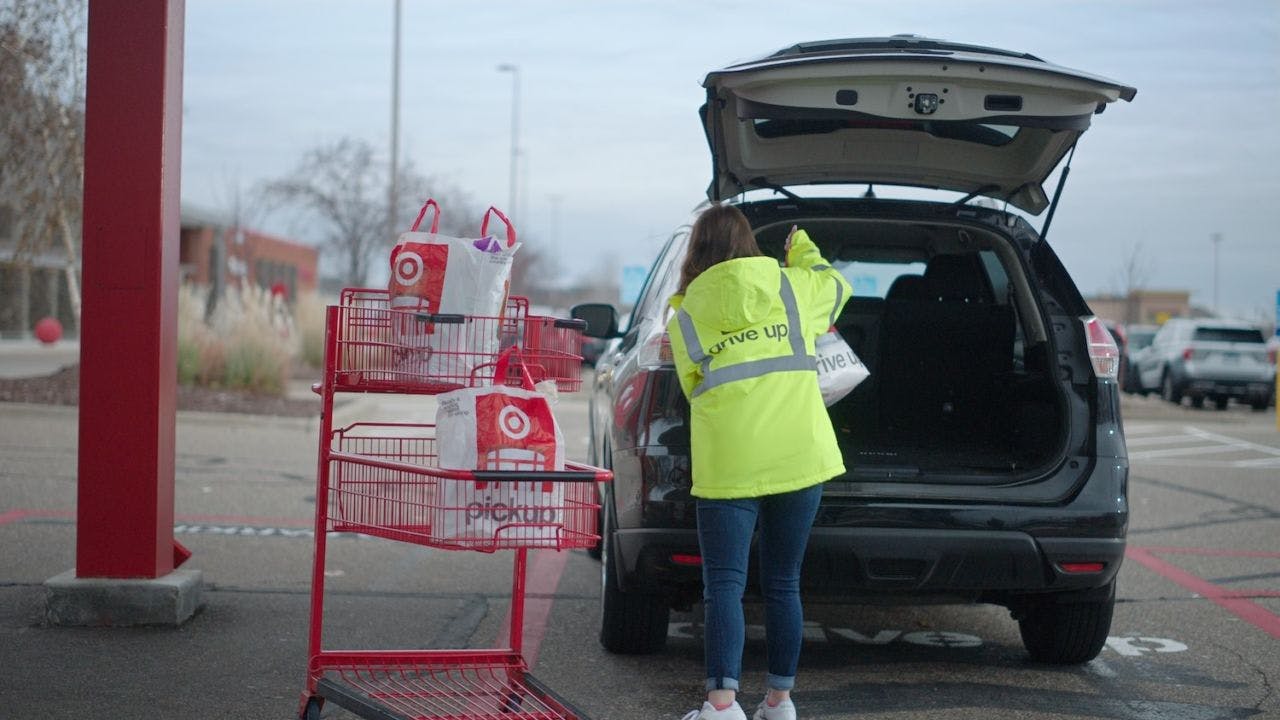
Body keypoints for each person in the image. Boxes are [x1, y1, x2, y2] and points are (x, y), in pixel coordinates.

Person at [666, 204, 852, 720]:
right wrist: (803, 252)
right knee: (784, 581)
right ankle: (779, 702)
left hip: (729, 463)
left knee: (724, 583)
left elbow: (691, 387)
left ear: (695, 252)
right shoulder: (794, 287)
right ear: (749, 244)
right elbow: (836, 285)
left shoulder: (683, 317)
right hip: (799, 454)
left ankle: (722, 706)